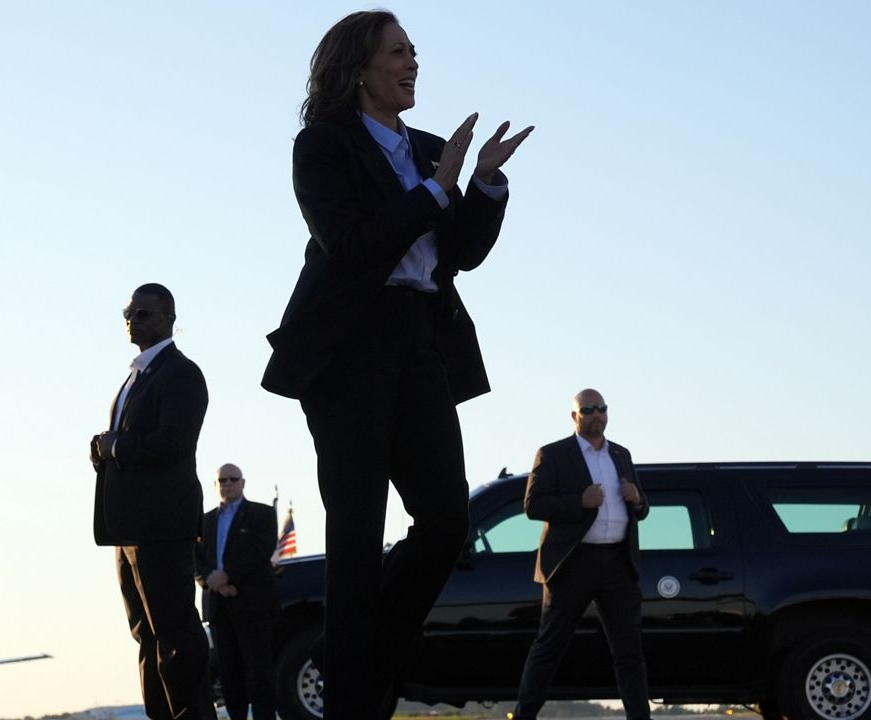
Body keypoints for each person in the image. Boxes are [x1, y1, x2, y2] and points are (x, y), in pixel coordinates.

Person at [259, 9, 533, 719]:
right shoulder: (321, 146)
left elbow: (460, 252)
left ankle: (361, 668)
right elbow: (351, 247)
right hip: (349, 348)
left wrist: (485, 186)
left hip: (421, 341)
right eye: (397, 53)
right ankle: (356, 701)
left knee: (446, 523)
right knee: (354, 535)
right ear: (359, 69)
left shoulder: (431, 149)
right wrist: (434, 189)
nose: (413, 64)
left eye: (416, 52)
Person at [90, 283, 214, 720]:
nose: (132, 319)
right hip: (128, 530)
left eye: (142, 313)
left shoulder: (181, 373)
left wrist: (117, 447)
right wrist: (103, 449)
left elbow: (174, 442)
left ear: (168, 319)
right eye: (128, 311)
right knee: (146, 634)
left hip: (162, 526)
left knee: (176, 634)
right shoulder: (136, 375)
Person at [512, 389, 652, 720]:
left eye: (601, 408)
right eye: (587, 409)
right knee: (549, 648)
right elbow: (533, 506)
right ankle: (523, 716)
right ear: (574, 416)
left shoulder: (620, 454)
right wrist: (579, 501)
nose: (596, 415)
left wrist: (638, 500)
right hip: (573, 563)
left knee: (630, 653)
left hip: (618, 563)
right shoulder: (553, 454)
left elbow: (642, 509)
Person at [195, 463, 281, 720]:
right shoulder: (205, 521)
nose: (228, 484)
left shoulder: (262, 514)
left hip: (253, 606)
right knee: (229, 674)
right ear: (215, 485)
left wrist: (229, 576)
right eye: (222, 480)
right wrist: (213, 582)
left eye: (233, 479)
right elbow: (196, 559)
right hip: (220, 608)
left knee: (258, 672)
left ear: (243, 483)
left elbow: (260, 551)